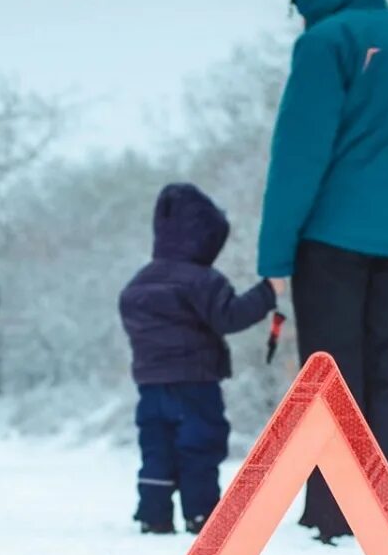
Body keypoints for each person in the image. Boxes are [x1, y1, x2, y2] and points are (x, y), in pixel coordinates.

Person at [257, 0, 388, 542]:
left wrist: (274, 252)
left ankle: (334, 513)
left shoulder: (327, 42)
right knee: (382, 373)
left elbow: (299, 156)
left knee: (331, 376)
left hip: (331, 240)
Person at [119, 183, 281, 535]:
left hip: (151, 386)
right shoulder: (201, 280)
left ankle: (154, 514)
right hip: (196, 382)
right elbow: (230, 316)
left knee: (156, 448)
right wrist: (269, 292)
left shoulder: (137, 284)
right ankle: (202, 514)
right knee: (200, 444)